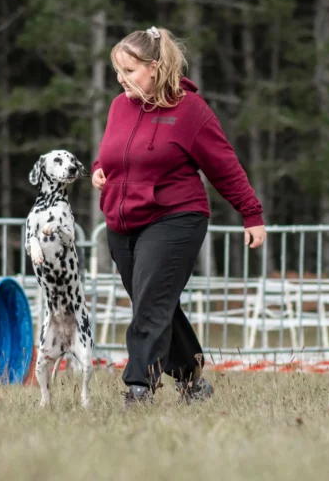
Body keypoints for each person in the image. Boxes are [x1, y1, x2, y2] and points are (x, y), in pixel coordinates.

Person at [90, 26, 267, 407]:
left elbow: (224, 166)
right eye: (117, 72)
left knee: (152, 303)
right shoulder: (120, 105)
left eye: (129, 71)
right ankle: (192, 378)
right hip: (122, 221)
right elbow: (112, 151)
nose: (121, 80)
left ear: (154, 68)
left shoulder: (190, 111)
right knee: (152, 304)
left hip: (176, 217)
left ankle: (139, 388)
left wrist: (251, 213)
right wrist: (97, 169)